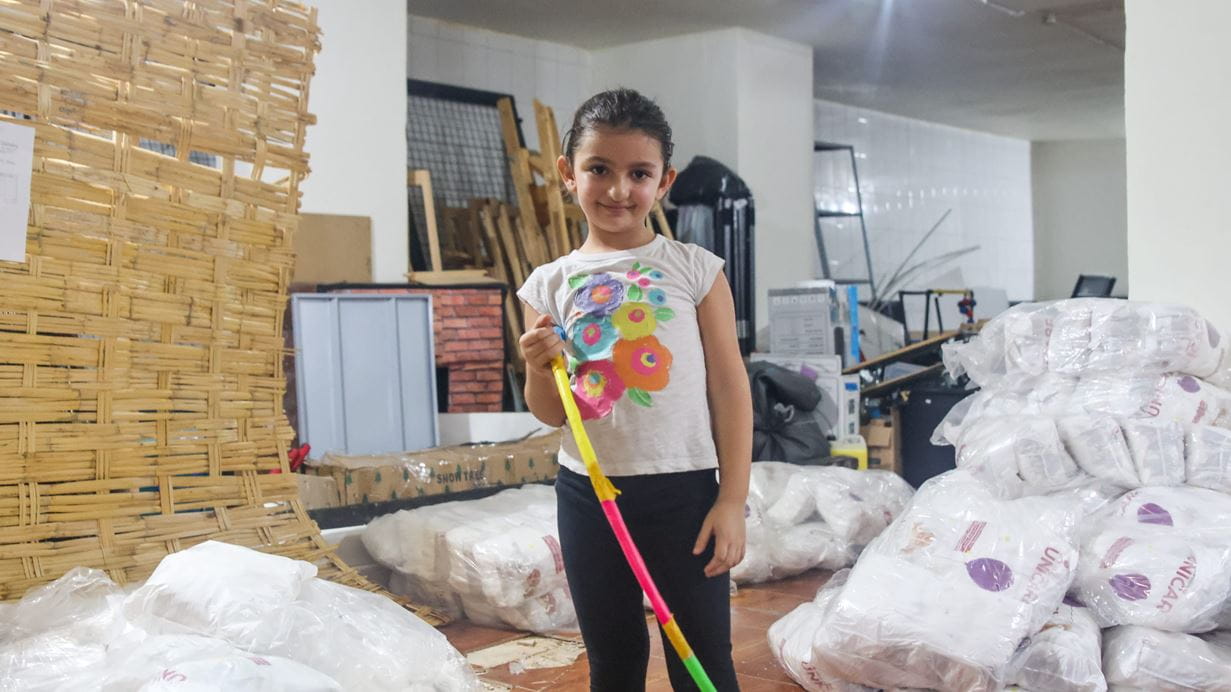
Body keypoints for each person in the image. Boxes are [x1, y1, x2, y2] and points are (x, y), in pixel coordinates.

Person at [516, 88, 752, 691]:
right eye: (599, 169)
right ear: (569, 174)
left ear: (663, 181)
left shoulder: (695, 270)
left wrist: (732, 500)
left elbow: (729, 388)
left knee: (704, 663)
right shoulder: (548, 285)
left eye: (638, 173)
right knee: (614, 664)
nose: (618, 190)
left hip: (685, 495)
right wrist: (541, 368)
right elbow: (550, 414)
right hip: (589, 498)